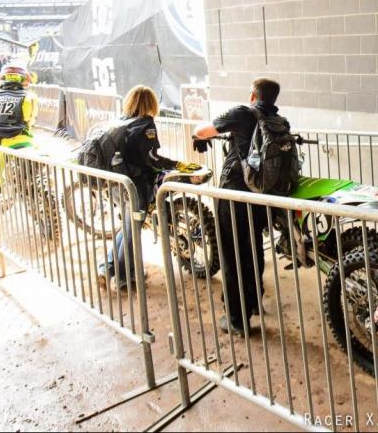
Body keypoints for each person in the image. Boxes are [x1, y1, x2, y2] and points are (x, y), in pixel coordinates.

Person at [192, 77, 284, 335]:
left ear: (253, 95)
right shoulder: (277, 121)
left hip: (234, 194)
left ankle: (235, 319)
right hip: (260, 195)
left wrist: (195, 136)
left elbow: (202, 131)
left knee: (232, 255)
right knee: (253, 248)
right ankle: (253, 302)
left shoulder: (243, 113)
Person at [95, 85, 191, 291]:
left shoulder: (122, 122)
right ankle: (125, 277)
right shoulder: (146, 125)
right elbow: (152, 159)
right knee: (132, 231)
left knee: (129, 226)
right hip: (134, 185)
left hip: (116, 183)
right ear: (151, 104)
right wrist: (177, 165)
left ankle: (107, 267)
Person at [0, 62, 38, 240]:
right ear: (24, 79)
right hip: (24, 142)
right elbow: (31, 119)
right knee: (36, 173)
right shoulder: (29, 97)